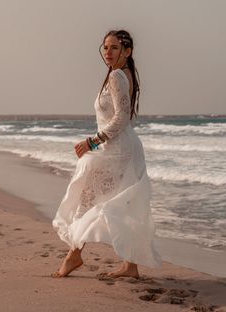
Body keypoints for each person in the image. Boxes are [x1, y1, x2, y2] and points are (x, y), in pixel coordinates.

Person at [51, 29, 162, 278]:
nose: (108, 53)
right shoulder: (125, 74)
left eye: (114, 47)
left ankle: (74, 255)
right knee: (118, 203)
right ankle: (129, 265)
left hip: (118, 149)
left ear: (127, 51)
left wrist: (92, 141)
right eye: (105, 47)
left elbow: (121, 117)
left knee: (89, 199)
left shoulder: (116, 77)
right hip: (121, 146)